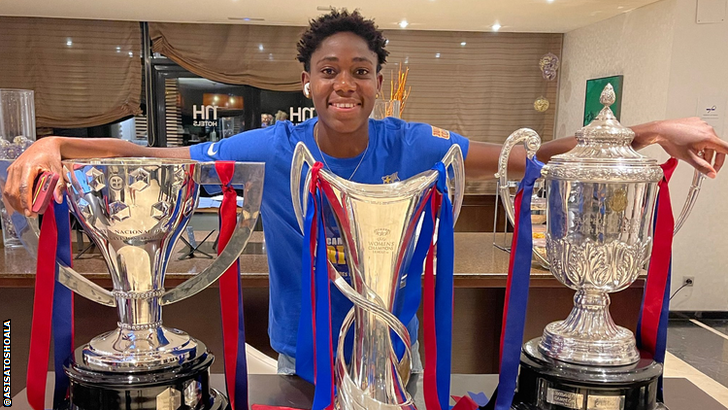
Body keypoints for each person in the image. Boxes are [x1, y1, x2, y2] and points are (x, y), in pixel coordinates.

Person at [4, 10, 727, 375]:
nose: (344, 82)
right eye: (328, 70)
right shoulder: (272, 148)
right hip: (299, 354)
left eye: (359, 69)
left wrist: (657, 128)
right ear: (307, 83)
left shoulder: (412, 143)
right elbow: (155, 154)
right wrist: (55, 144)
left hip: (398, 351)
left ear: (379, 80)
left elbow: (531, 156)